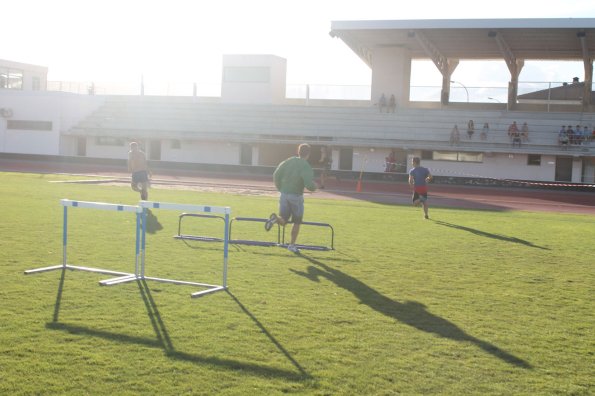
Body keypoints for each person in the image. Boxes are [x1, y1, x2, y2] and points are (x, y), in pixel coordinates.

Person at [265, 143, 317, 253]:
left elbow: (276, 174)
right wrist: (314, 186)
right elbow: (309, 185)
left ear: (298, 151)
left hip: (284, 194)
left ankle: (275, 219)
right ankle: (292, 245)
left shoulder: (289, 161)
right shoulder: (305, 165)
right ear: (308, 154)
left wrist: (280, 187)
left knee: (283, 220)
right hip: (296, 196)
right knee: (297, 221)